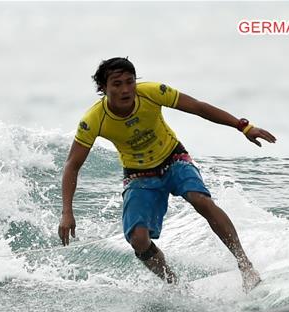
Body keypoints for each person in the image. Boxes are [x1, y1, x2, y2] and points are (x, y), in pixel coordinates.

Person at [58, 57, 276, 292]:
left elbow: (199, 107)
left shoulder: (152, 92)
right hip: (138, 175)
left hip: (174, 159)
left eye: (130, 82)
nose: (125, 89)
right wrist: (67, 212)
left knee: (200, 199)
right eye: (117, 84)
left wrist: (242, 126)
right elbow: (72, 165)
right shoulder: (93, 121)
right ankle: (176, 286)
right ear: (103, 88)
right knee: (138, 240)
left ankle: (245, 266)